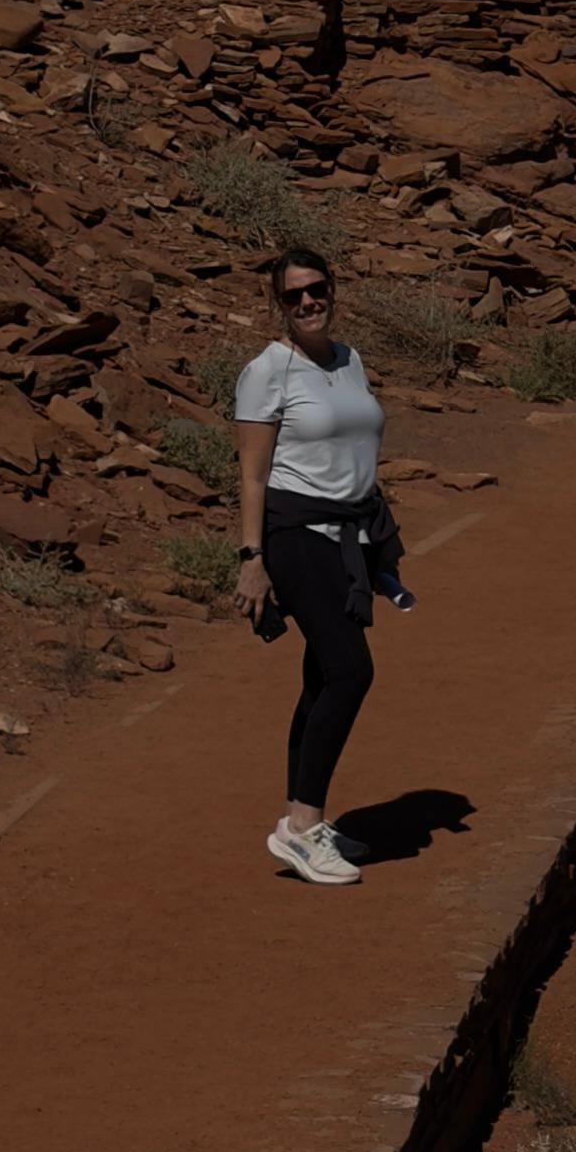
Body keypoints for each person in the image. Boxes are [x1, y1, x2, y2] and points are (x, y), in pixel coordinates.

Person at [232, 249, 408, 887]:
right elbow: (252, 474)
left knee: (319, 678)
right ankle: (304, 828)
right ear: (277, 305)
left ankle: (299, 820)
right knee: (349, 671)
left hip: (349, 537)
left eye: (317, 289)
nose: (308, 302)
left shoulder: (348, 360)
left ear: (334, 290)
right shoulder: (267, 371)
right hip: (295, 538)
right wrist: (252, 560)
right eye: (293, 296)